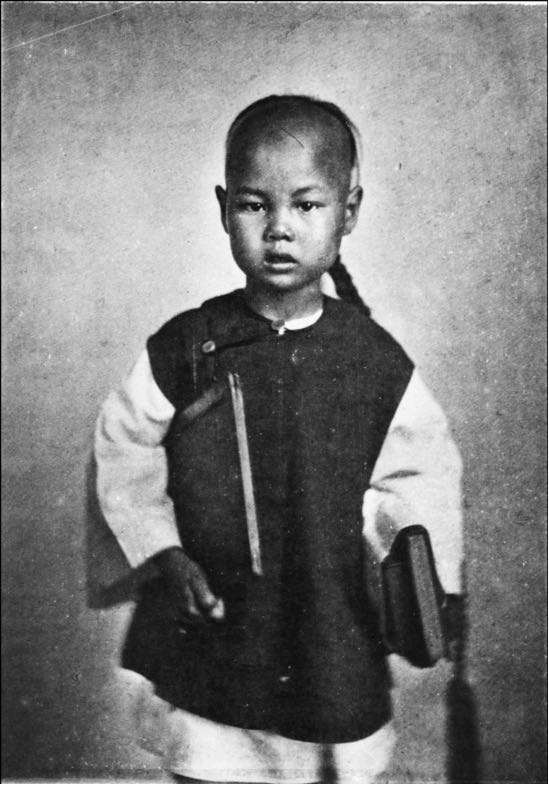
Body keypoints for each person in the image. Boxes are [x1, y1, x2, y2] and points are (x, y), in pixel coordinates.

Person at [93, 94, 464, 783]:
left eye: (306, 204)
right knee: (210, 755)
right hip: (218, 616)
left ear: (348, 211)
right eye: (253, 204)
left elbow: (420, 475)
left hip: (328, 618)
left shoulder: (372, 359)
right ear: (222, 208)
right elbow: (124, 442)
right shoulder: (187, 346)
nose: (279, 229)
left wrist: (419, 580)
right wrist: (162, 549)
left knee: (326, 758)